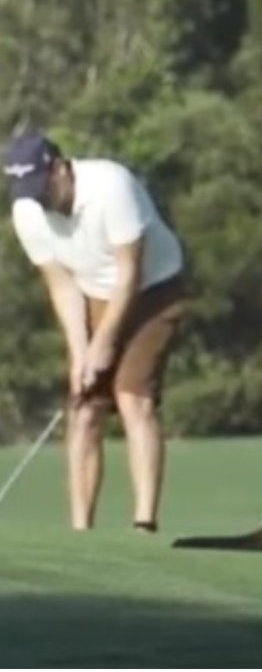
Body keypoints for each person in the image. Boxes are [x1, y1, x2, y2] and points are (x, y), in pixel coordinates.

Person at [4, 130, 187, 533]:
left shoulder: (111, 186)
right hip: (91, 290)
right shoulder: (27, 210)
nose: (40, 199)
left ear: (60, 167)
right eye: (29, 191)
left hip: (152, 289)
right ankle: (81, 531)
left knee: (131, 396)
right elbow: (61, 283)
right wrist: (80, 352)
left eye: (42, 186)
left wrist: (104, 343)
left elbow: (129, 272)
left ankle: (144, 524)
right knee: (84, 407)